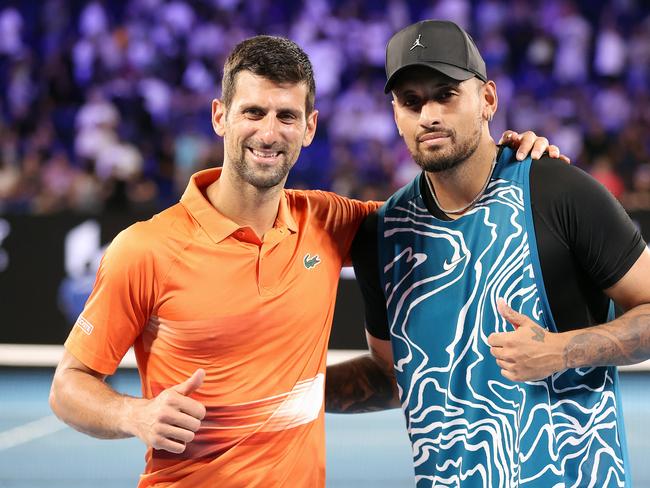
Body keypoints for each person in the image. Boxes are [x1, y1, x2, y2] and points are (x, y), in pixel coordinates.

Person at [49, 35, 561, 487]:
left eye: (287, 116)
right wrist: (134, 415)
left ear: (309, 126)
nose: (269, 133)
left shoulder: (329, 220)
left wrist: (509, 162)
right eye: (253, 112)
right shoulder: (144, 248)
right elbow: (69, 386)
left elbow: (446, 209)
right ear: (220, 116)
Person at [326, 20, 650, 488]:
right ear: (395, 114)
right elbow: (389, 375)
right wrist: (273, 389)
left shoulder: (557, 189)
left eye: (446, 94)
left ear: (488, 100)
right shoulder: (387, 233)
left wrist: (561, 352)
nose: (429, 115)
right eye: (411, 102)